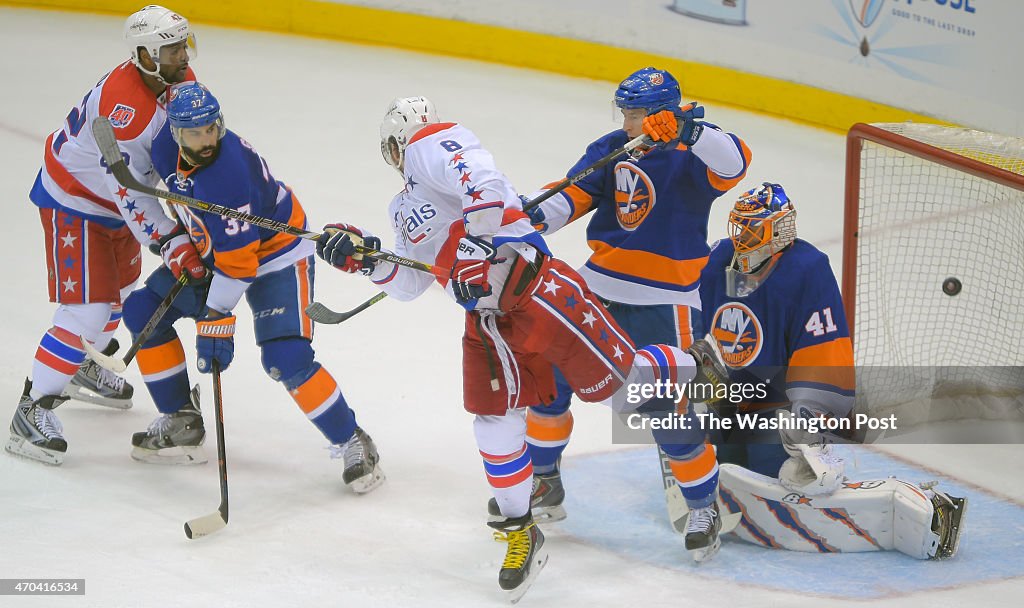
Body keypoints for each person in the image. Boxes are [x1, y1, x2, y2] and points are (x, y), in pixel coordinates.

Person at [315, 96, 730, 598]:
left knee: (623, 392)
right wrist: (364, 258)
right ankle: (521, 532)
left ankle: (694, 359)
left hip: (536, 290)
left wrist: (476, 243)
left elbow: (484, 184)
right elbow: (407, 284)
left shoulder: (431, 143)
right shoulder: (402, 206)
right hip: (489, 323)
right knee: (494, 425)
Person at [520, 66, 752, 557]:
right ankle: (544, 480)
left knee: (666, 411)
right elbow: (574, 195)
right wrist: (533, 214)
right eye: (623, 113)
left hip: (666, 302)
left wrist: (687, 129)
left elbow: (734, 163)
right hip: (597, 290)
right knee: (548, 378)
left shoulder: (694, 151)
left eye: (636, 114)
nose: (627, 123)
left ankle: (702, 507)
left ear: (661, 112)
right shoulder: (612, 147)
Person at [120, 82, 384, 494]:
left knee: (286, 357)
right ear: (175, 133)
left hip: (275, 255)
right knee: (142, 313)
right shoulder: (161, 150)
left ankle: (352, 439)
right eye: (196, 133)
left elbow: (240, 265)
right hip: (217, 250)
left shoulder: (227, 176)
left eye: (212, 128)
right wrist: (178, 246)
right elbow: (159, 197)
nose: (207, 140)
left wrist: (215, 317)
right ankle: (181, 421)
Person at [700, 182, 967, 559]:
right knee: (723, 467)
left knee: (783, 476)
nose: (741, 236)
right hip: (732, 398)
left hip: (779, 406)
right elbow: (696, 328)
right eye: (739, 225)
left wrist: (807, 417)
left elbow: (822, 351)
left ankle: (912, 501)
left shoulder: (806, 268)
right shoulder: (718, 259)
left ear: (779, 231)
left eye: (753, 228)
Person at [7, 5, 206, 466]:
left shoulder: (175, 79)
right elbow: (132, 191)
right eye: (172, 48)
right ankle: (31, 407)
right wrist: (173, 241)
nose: (183, 55)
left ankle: (81, 366)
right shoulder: (127, 112)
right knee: (87, 309)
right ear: (144, 54)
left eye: (183, 44)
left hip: (112, 203)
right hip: (76, 202)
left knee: (119, 293)